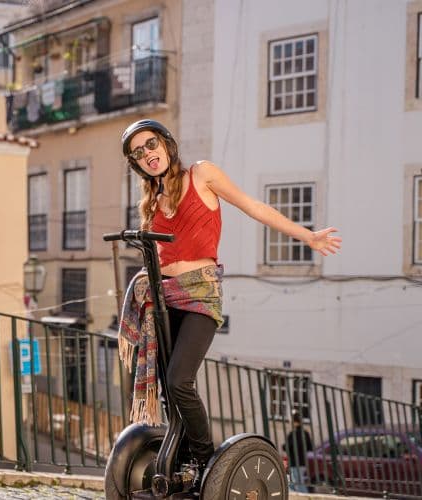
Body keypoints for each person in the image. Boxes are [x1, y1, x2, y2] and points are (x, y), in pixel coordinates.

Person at [116, 119, 340, 486]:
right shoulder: (151, 200)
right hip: (165, 294)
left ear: (167, 144)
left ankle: (206, 462)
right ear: (136, 164)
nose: (147, 154)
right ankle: (183, 459)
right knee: (169, 388)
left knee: (179, 380)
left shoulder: (202, 174)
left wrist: (308, 236)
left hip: (202, 294)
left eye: (151, 144)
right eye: (138, 153)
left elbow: (253, 207)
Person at [284, 410, 313, 492]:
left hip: (294, 462)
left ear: (294, 421)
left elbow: (287, 447)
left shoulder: (293, 434)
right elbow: (310, 447)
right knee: (292, 483)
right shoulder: (305, 433)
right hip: (303, 462)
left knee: (298, 484)